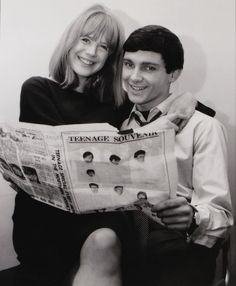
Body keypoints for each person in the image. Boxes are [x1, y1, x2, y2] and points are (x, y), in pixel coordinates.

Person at [0, 5, 217, 286]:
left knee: (105, 238)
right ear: (71, 41)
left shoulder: (116, 102)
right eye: (86, 40)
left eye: (103, 47)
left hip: (97, 219)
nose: (91, 53)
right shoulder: (38, 89)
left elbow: (198, 112)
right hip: (46, 221)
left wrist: (187, 100)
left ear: (110, 57)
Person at [117, 25, 233, 286]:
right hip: (123, 244)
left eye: (149, 67)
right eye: (128, 64)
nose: (133, 77)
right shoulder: (118, 125)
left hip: (178, 249)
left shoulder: (204, 127)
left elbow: (222, 218)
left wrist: (192, 218)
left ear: (174, 74)